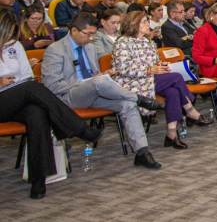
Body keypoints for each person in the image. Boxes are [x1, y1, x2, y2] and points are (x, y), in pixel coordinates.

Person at [0, 8, 104, 200]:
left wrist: (16, 83)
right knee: (32, 88)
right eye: (7, 32)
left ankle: (39, 180)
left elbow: (26, 75)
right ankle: (80, 129)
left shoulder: (14, 46)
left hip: (16, 98)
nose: (11, 37)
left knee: (36, 113)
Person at [41, 12, 165, 170]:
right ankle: (140, 99)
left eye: (93, 34)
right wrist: (89, 81)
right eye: (88, 34)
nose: (91, 38)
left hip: (92, 92)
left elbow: (94, 77)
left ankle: (142, 152)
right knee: (99, 82)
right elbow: (52, 86)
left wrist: (100, 76)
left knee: (127, 103)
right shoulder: (55, 50)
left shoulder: (90, 48)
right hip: (67, 97)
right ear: (74, 31)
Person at [112, 11, 211, 150]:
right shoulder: (123, 42)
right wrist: (150, 70)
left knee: (173, 91)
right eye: (144, 22)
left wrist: (160, 66)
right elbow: (123, 68)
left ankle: (171, 135)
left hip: (151, 80)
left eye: (147, 21)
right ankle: (191, 111)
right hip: (132, 83)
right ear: (134, 24)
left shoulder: (149, 42)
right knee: (176, 77)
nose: (148, 24)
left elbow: (155, 63)